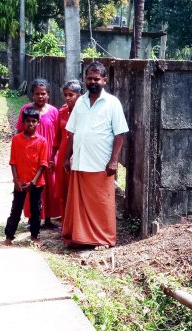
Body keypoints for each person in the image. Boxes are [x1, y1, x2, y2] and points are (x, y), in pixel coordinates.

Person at [62, 62, 129, 249]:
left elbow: (120, 134)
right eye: (90, 78)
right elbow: (72, 133)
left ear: (104, 81)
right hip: (80, 160)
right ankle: (79, 238)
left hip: (101, 162)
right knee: (79, 203)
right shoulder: (80, 102)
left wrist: (114, 160)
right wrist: (67, 157)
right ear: (85, 80)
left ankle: (104, 239)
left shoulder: (112, 103)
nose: (93, 82)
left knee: (101, 202)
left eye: (96, 79)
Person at [14, 79, 59, 228]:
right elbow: (19, 131)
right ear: (32, 94)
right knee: (31, 184)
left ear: (48, 95)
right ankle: (33, 219)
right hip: (31, 156)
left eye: (43, 93)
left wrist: (54, 155)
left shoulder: (53, 111)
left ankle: (48, 219)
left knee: (49, 186)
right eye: (37, 94)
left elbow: (57, 134)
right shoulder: (26, 110)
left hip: (49, 155)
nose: (40, 96)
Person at [4, 106, 49, 246]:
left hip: (36, 182)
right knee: (16, 209)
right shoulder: (16, 140)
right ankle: (9, 236)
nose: (31, 124)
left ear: (38, 123)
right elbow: (13, 162)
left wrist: (33, 182)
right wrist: (16, 181)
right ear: (23, 122)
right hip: (20, 182)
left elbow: (43, 164)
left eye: (34, 121)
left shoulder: (42, 141)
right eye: (28, 121)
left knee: (36, 209)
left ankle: (35, 235)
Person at [51, 80, 83, 225]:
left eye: (71, 95)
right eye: (65, 95)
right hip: (63, 153)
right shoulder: (62, 111)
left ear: (79, 95)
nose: (68, 98)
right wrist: (53, 156)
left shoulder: (84, 111)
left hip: (78, 153)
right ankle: (65, 225)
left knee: (76, 191)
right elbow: (57, 137)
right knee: (63, 190)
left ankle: (76, 224)